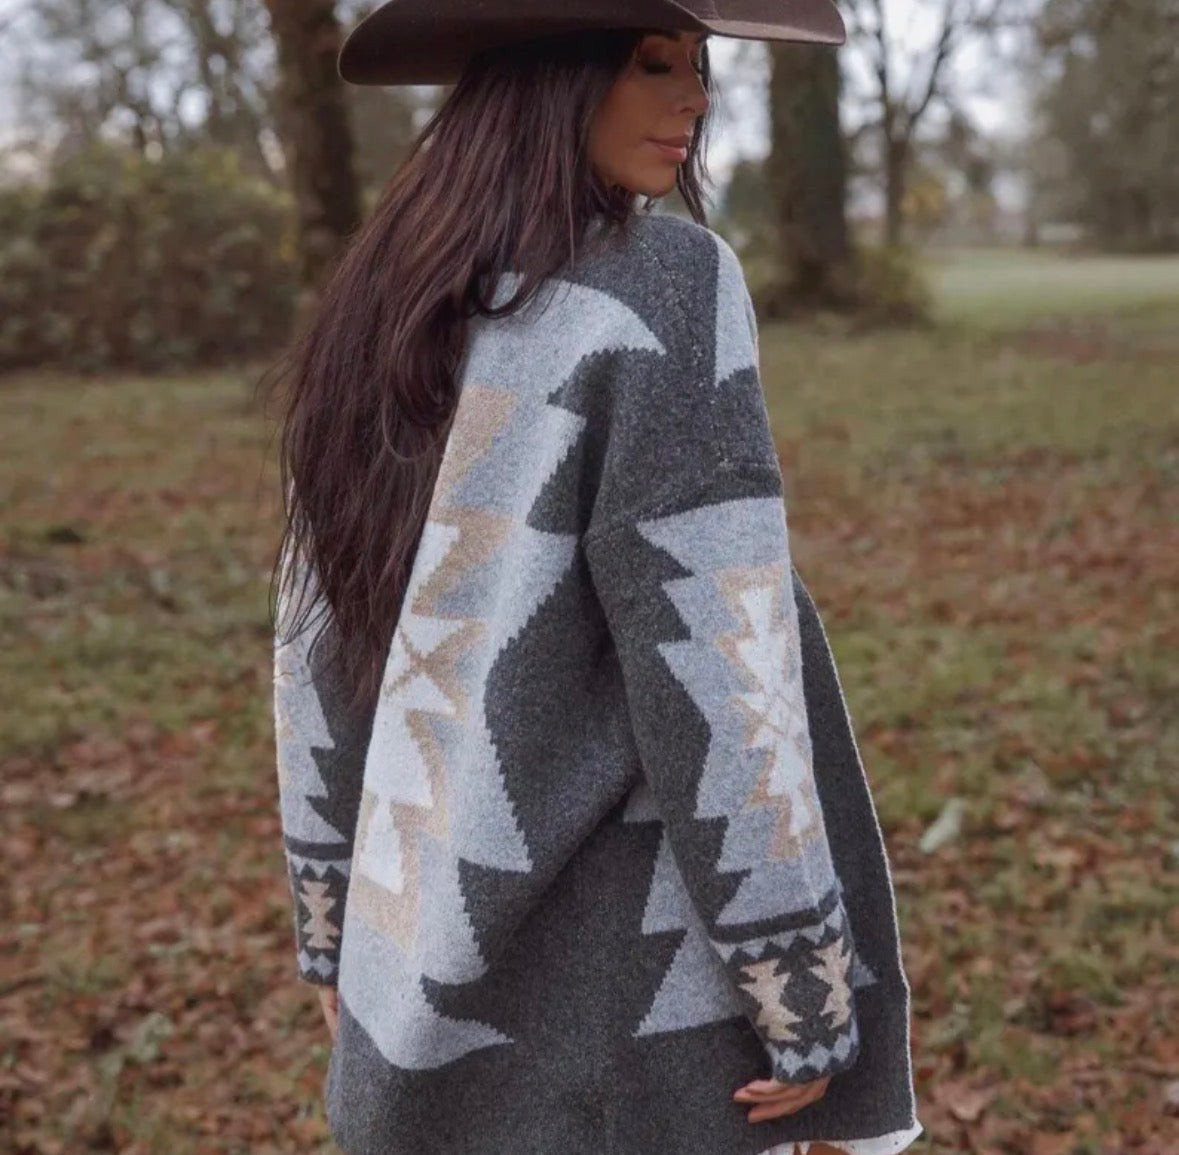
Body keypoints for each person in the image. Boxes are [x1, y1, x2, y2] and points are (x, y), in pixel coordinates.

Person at [268, 2, 924, 1153]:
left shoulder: (394, 294)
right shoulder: (667, 285)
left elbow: (314, 647)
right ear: (547, 74)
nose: (694, 100)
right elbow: (714, 651)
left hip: (420, 972)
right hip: (631, 998)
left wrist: (336, 929)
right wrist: (798, 983)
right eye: (651, 63)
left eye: (699, 66)